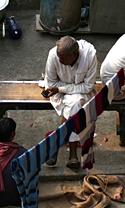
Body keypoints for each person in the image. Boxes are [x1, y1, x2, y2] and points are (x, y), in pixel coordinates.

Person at [40, 34, 99, 171]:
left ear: (75, 54)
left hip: (83, 92)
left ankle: (56, 147)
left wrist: (62, 88)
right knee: (75, 104)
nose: (60, 61)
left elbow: (87, 86)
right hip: (58, 92)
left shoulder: (89, 55)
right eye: (59, 57)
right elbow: (52, 82)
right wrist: (61, 89)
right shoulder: (53, 55)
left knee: (76, 102)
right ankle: (72, 154)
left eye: (64, 58)